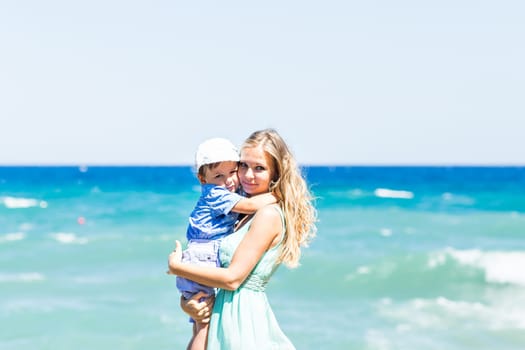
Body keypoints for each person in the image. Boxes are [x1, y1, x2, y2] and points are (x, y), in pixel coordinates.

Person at [168, 128, 317, 349]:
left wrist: (176, 267)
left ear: (276, 173)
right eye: (243, 166)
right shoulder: (239, 211)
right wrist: (188, 304)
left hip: (241, 319)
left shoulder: (268, 214)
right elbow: (213, 270)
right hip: (223, 311)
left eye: (259, 168)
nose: (248, 175)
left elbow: (232, 279)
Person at [176, 137, 277, 350]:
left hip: (198, 256)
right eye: (218, 176)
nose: (229, 181)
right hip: (203, 256)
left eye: (232, 172)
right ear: (203, 179)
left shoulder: (228, 193)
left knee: (200, 325)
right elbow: (249, 205)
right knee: (204, 326)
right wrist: (278, 195)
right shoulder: (217, 193)